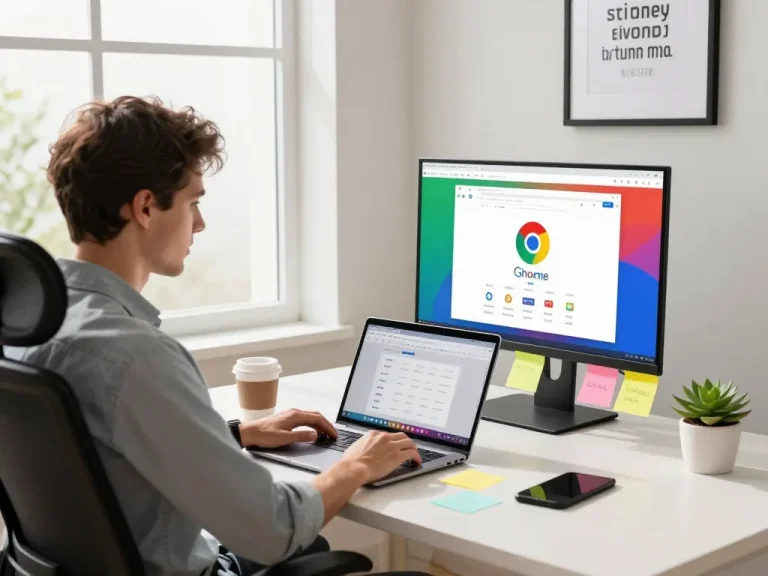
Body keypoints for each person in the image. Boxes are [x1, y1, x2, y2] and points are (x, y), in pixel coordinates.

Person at [5, 96, 422, 576]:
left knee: (315, 546)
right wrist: (357, 464)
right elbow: (273, 530)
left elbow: (90, 452)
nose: (200, 223)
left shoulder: (26, 327)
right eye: (193, 201)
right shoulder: (136, 357)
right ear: (145, 207)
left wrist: (235, 436)